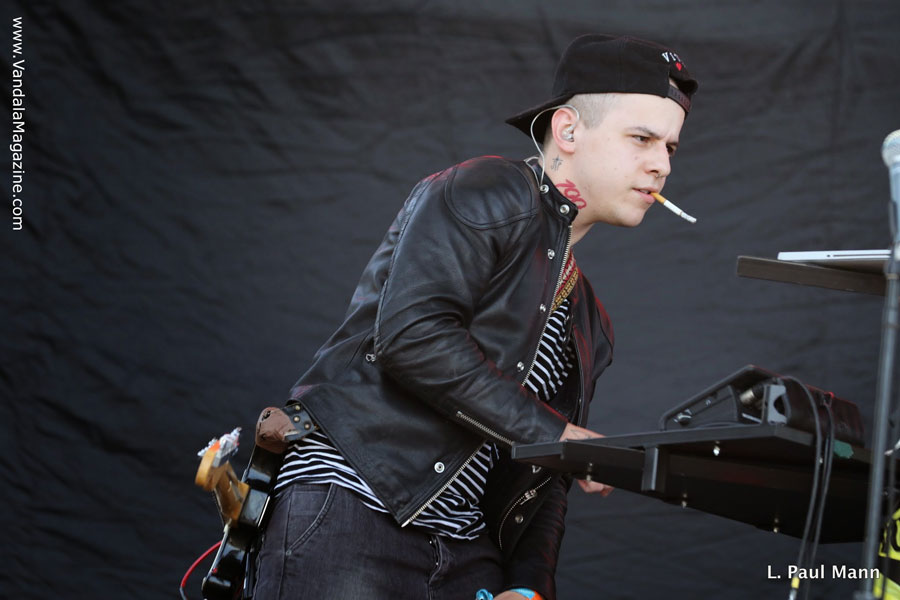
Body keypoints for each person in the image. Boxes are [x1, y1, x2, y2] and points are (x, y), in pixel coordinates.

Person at [252, 33, 698, 600]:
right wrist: (560, 436)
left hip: (465, 554)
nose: (661, 165)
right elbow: (413, 337)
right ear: (567, 131)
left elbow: (544, 472)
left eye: (671, 148)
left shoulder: (589, 319)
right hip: (354, 507)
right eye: (642, 139)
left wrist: (529, 584)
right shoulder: (486, 189)